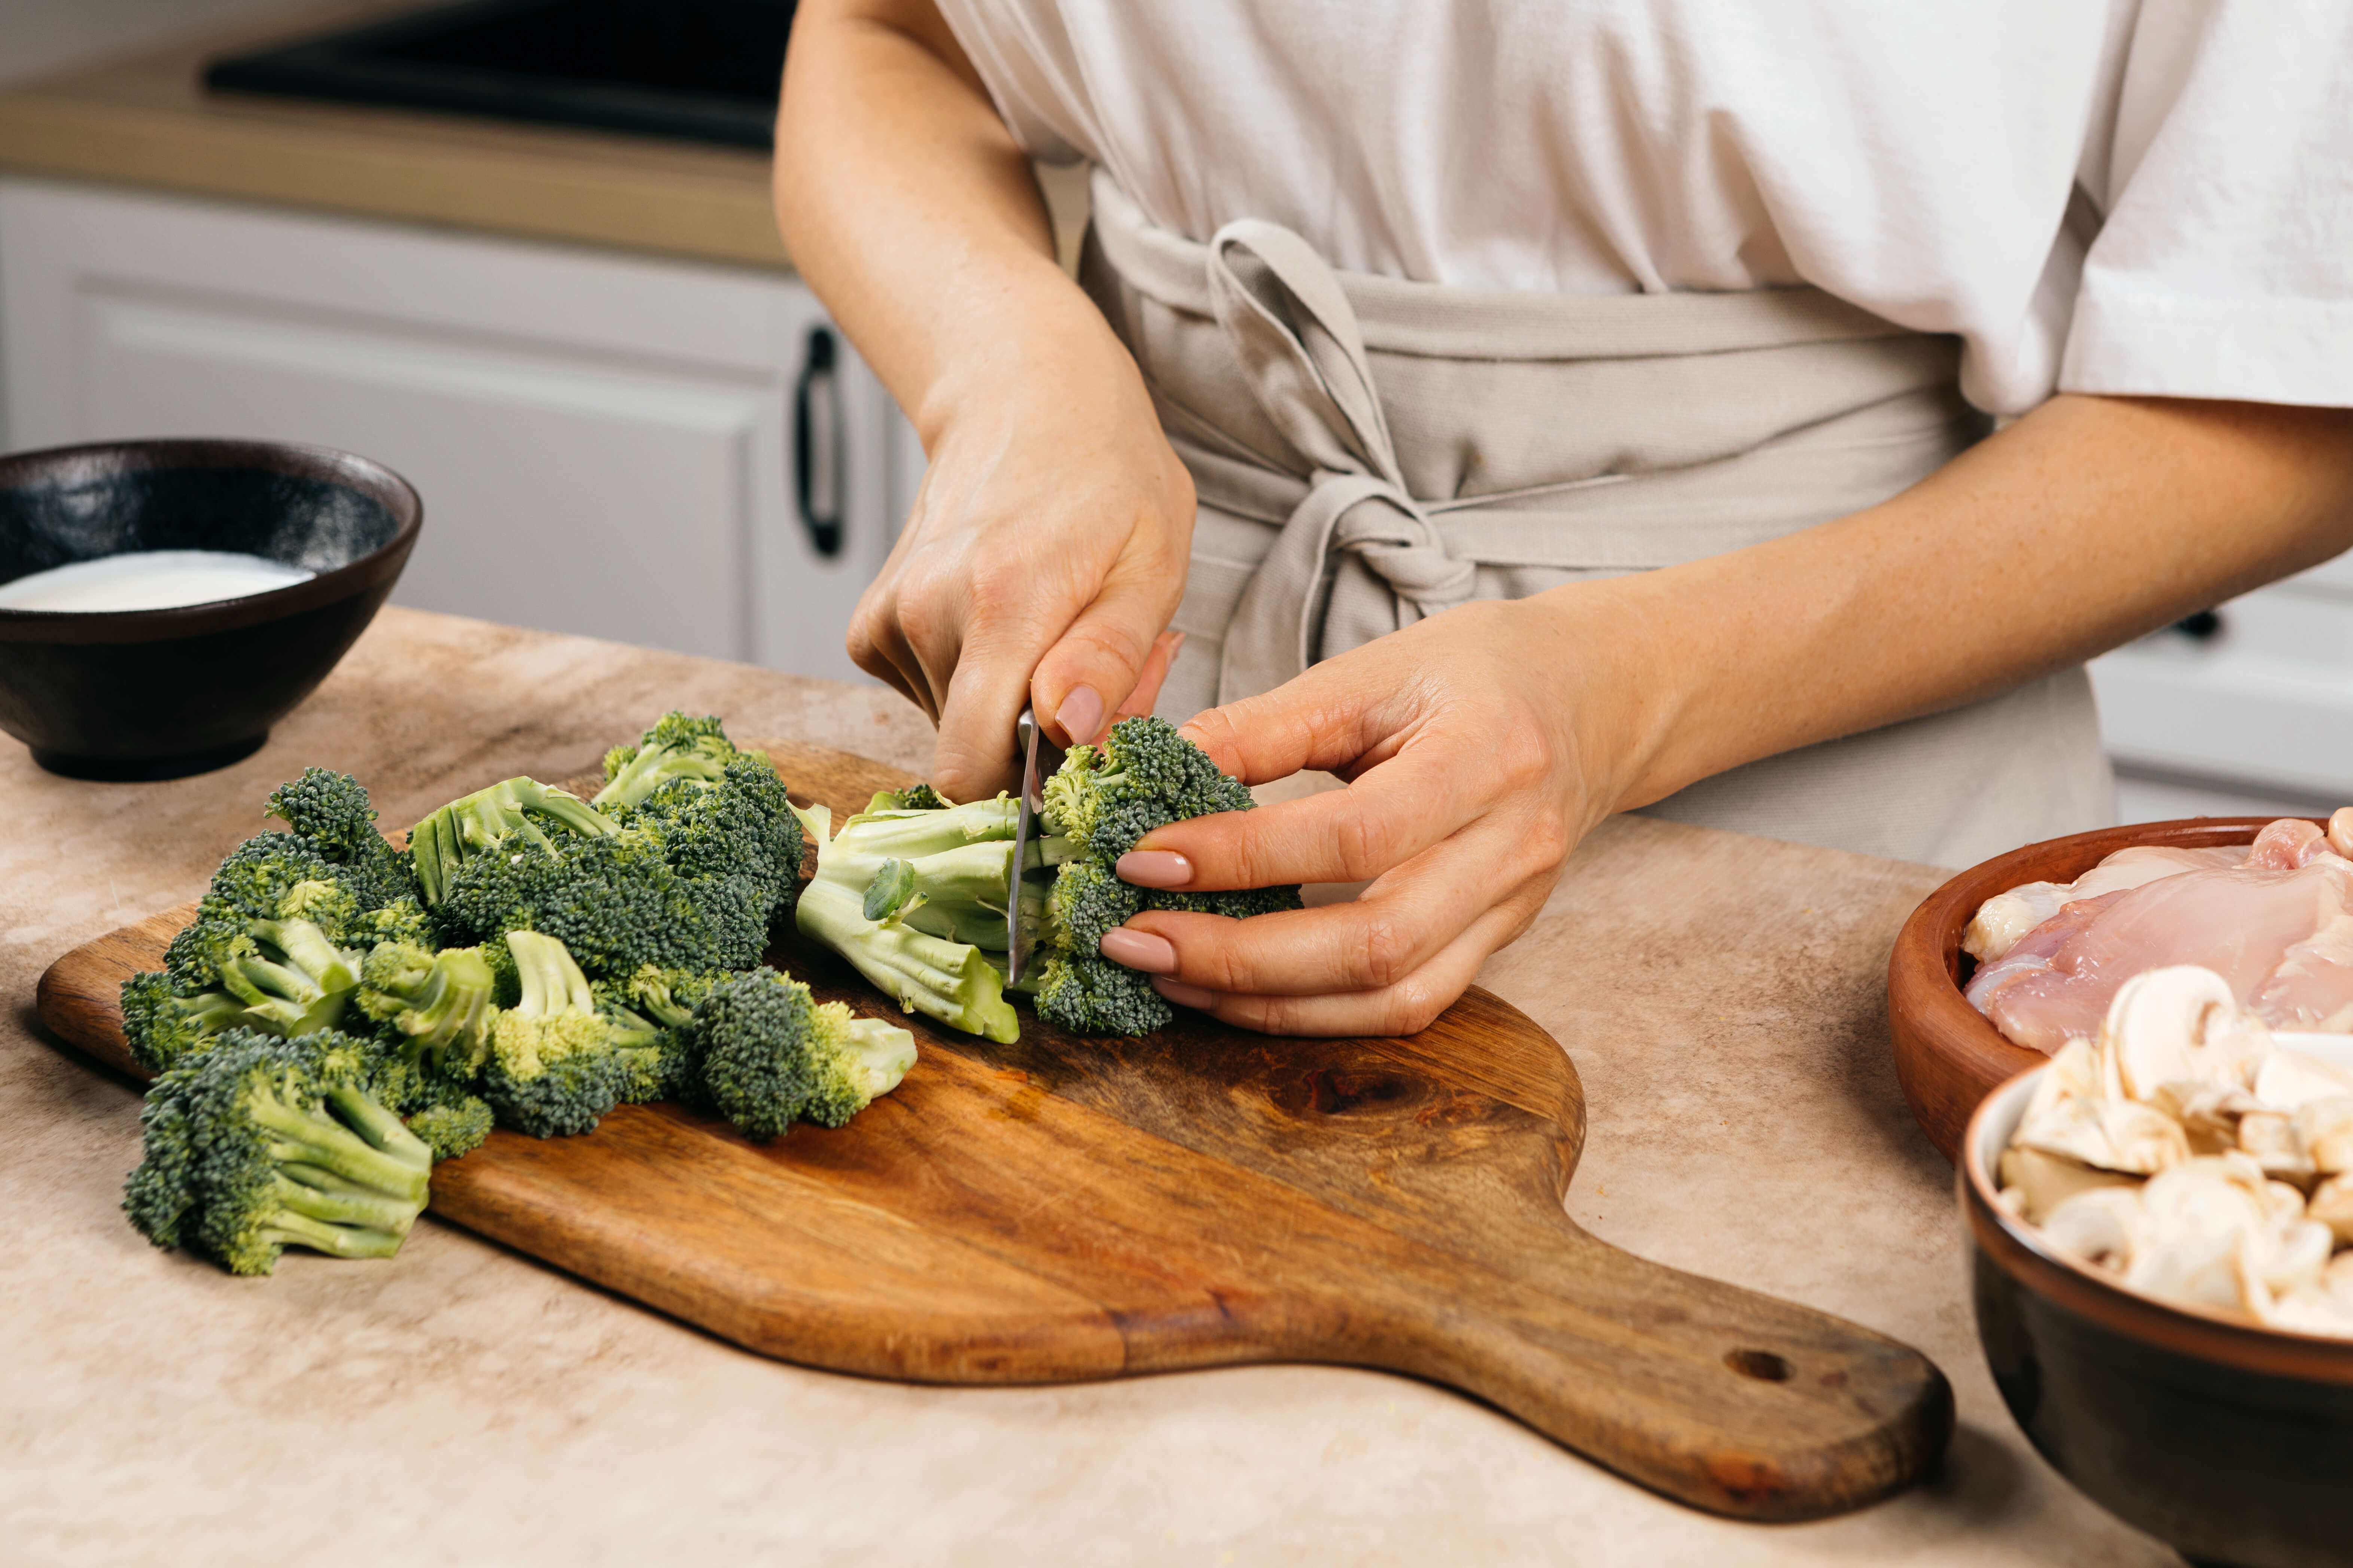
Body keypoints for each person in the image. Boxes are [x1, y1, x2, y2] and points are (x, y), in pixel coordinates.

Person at [774, 1, 2353, 1037]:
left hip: (1814, 844)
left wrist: (1630, 691)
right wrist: (1017, 380)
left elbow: (2299, 388)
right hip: (1157, 718)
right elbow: (888, 34)